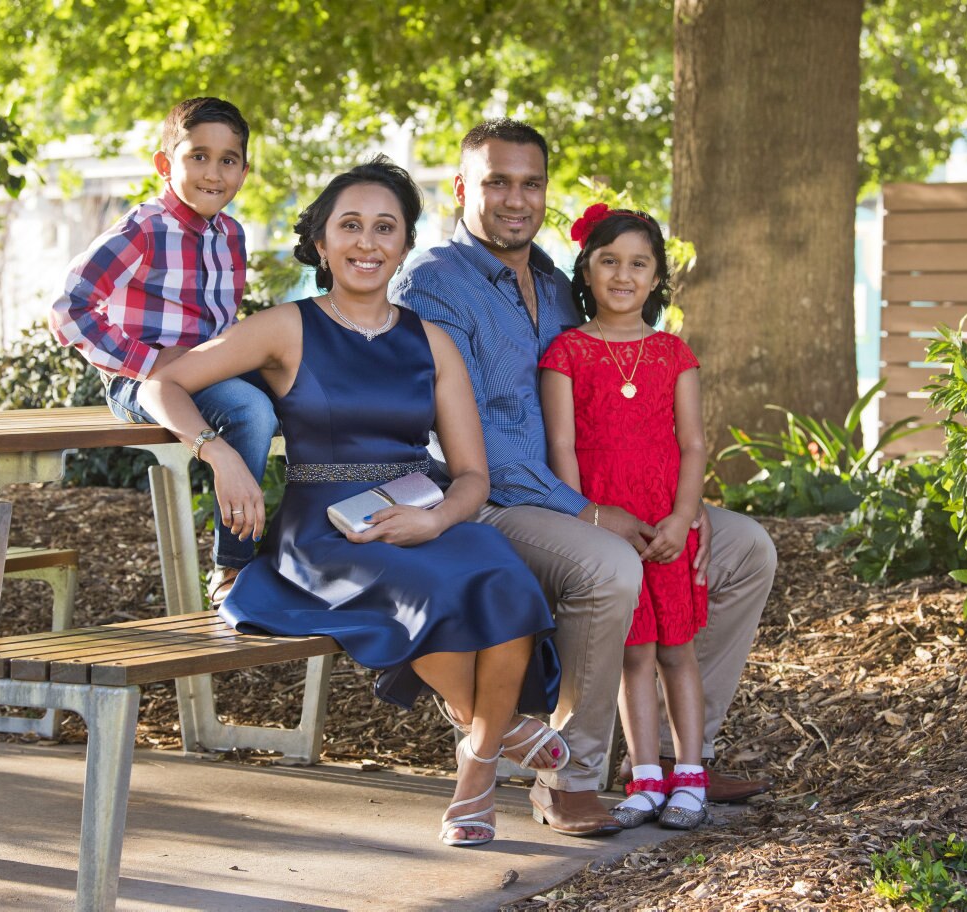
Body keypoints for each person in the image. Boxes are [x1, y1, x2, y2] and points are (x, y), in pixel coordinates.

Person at [137, 156, 565, 848]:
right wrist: (218, 454)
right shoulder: (288, 327)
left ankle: (477, 767)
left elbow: (472, 477)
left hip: (421, 506)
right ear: (322, 241)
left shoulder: (432, 342)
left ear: (403, 246)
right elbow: (164, 385)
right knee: (425, 593)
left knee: (504, 576)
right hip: (328, 527)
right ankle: (495, 732)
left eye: (385, 228)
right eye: (351, 226)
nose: (367, 243)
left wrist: (435, 519)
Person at [391, 119, 776, 838]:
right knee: (608, 565)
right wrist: (589, 512)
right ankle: (569, 775)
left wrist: (676, 507)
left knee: (744, 548)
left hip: (600, 494)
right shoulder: (434, 284)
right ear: (461, 188)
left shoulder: (558, 281)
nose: (515, 198)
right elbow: (465, 433)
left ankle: (674, 757)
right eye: (496, 182)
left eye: (530, 183)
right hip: (494, 501)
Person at [49, 96, 276, 607]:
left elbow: (222, 324)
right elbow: (69, 308)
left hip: (207, 372)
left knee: (308, 387)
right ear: (164, 164)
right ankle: (232, 569)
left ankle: (311, 545)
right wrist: (148, 361)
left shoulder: (232, 236)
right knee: (251, 410)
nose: (213, 172)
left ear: (243, 171)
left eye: (228, 160)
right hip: (138, 382)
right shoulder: (145, 229)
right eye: (198, 156)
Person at [540, 204, 710, 830]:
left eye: (639, 263)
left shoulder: (672, 353)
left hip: (665, 521)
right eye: (609, 261)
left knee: (677, 650)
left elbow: (692, 445)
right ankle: (644, 777)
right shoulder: (568, 352)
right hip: (608, 523)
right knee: (634, 653)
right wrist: (587, 525)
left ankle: (689, 774)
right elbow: (562, 448)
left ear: (658, 276)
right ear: (585, 269)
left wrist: (684, 518)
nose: (622, 275)